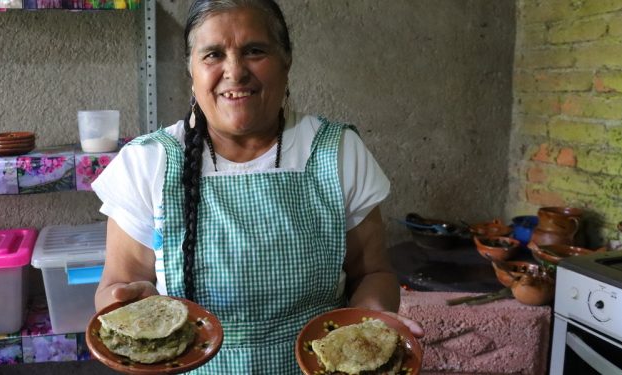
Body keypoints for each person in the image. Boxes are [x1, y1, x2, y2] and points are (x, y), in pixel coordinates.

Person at [91, 0, 424, 373]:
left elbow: (373, 273)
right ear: (191, 69)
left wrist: (373, 321)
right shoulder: (148, 162)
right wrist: (126, 304)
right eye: (213, 54)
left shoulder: (336, 152)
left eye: (254, 51)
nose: (234, 71)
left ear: (286, 60)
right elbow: (117, 286)